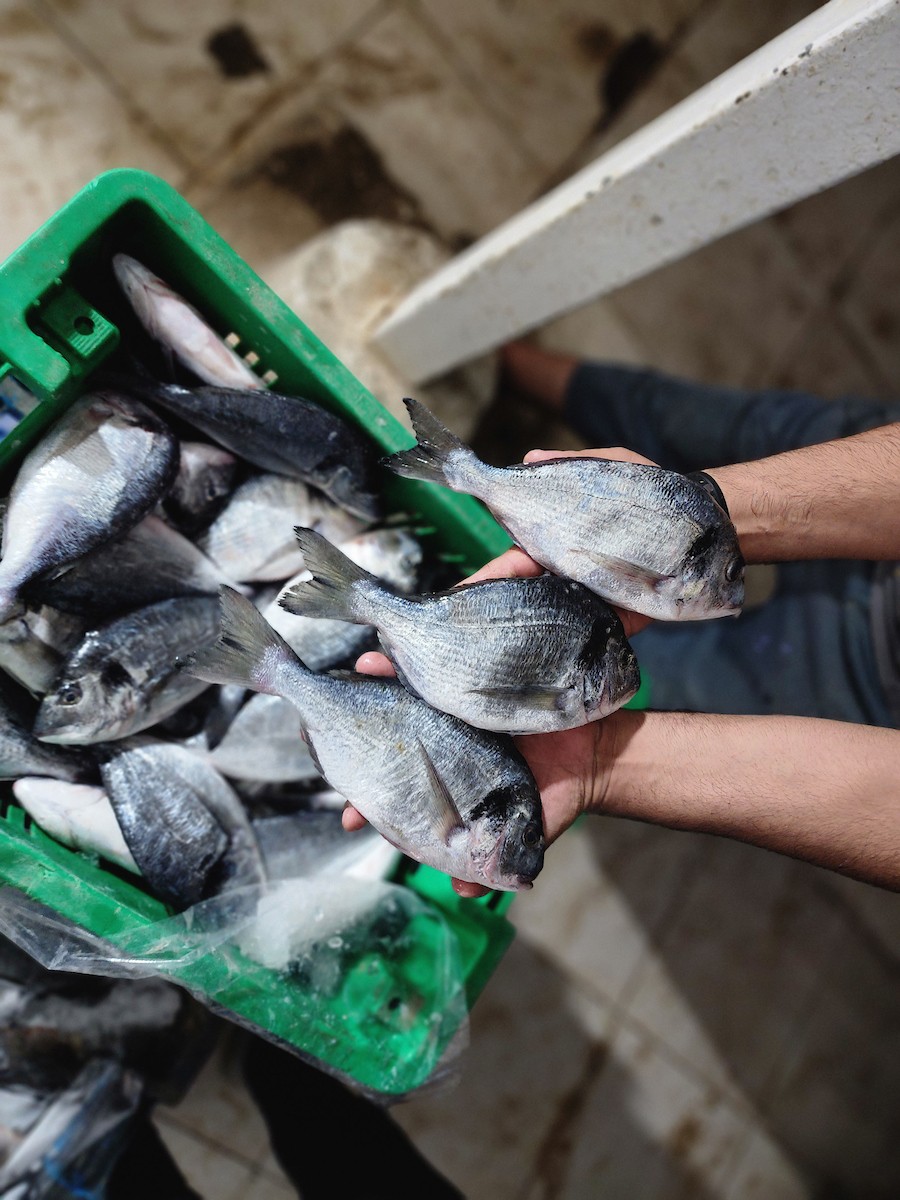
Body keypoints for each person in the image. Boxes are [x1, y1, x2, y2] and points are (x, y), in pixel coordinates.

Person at [348, 344, 900, 896]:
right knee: (667, 410)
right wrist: (705, 505)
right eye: (723, 574)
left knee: (681, 669)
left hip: (871, 686)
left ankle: (492, 367)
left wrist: (601, 764)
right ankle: (501, 359)